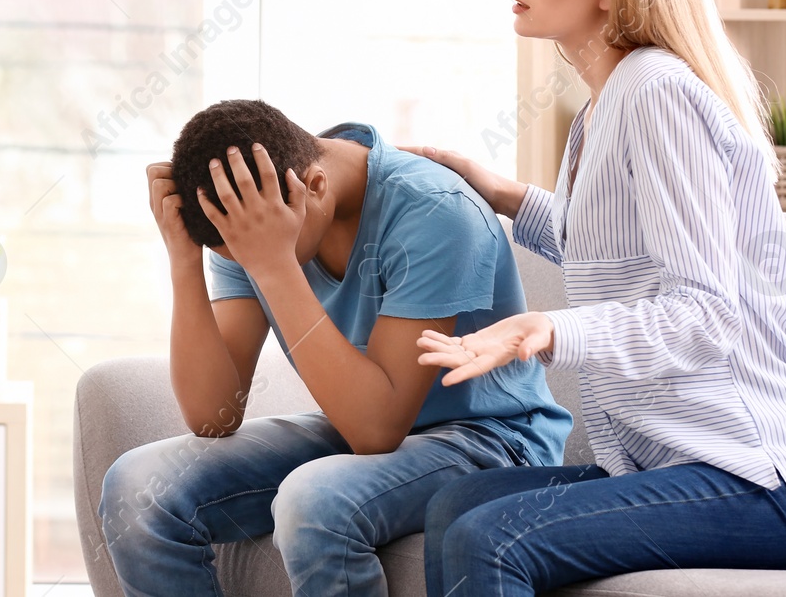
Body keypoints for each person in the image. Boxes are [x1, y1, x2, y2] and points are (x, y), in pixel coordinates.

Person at [402, 0, 786, 597]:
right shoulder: (608, 103)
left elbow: (706, 312)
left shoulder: (656, 93)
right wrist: (506, 194)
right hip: (696, 466)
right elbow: (620, 248)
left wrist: (547, 329)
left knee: (493, 536)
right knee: (456, 507)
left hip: (774, 481)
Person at [98, 99, 571, 596]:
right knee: (138, 488)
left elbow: (376, 429)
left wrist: (273, 265)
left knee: (313, 501)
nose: (245, 261)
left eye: (249, 254)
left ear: (315, 187)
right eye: (235, 255)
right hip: (355, 427)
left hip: (492, 440)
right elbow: (211, 414)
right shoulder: (251, 214)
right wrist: (183, 260)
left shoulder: (435, 209)